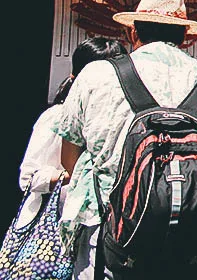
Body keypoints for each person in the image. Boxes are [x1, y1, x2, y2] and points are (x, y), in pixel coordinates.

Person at [56, 0, 197, 280]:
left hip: (116, 241)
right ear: (185, 37)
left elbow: (69, 156)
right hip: (192, 243)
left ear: (133, 33)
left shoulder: (96, 75)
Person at [15, 38, 126, 235]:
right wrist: (71, 176)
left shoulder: (123, 122)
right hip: (54, 229)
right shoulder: (56, 117)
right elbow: (28, 178)